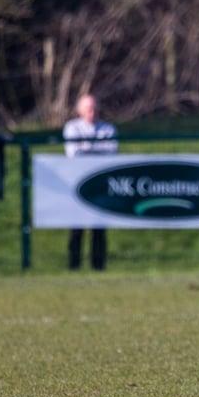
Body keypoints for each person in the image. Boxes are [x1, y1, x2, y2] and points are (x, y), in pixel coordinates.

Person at [63, 93, 118, 270]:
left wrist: (85, 148)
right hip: (77, 185)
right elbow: (73, 153)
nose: (91, 112)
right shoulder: (72, 128)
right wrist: (96, 150)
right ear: (79, 110)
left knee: (99, 228)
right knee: (77, 227)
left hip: (100, 186)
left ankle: (98, 266)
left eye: (94, 108)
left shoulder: (108, 129)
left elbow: (111, 152)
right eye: (88, 108)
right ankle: (74, 265)